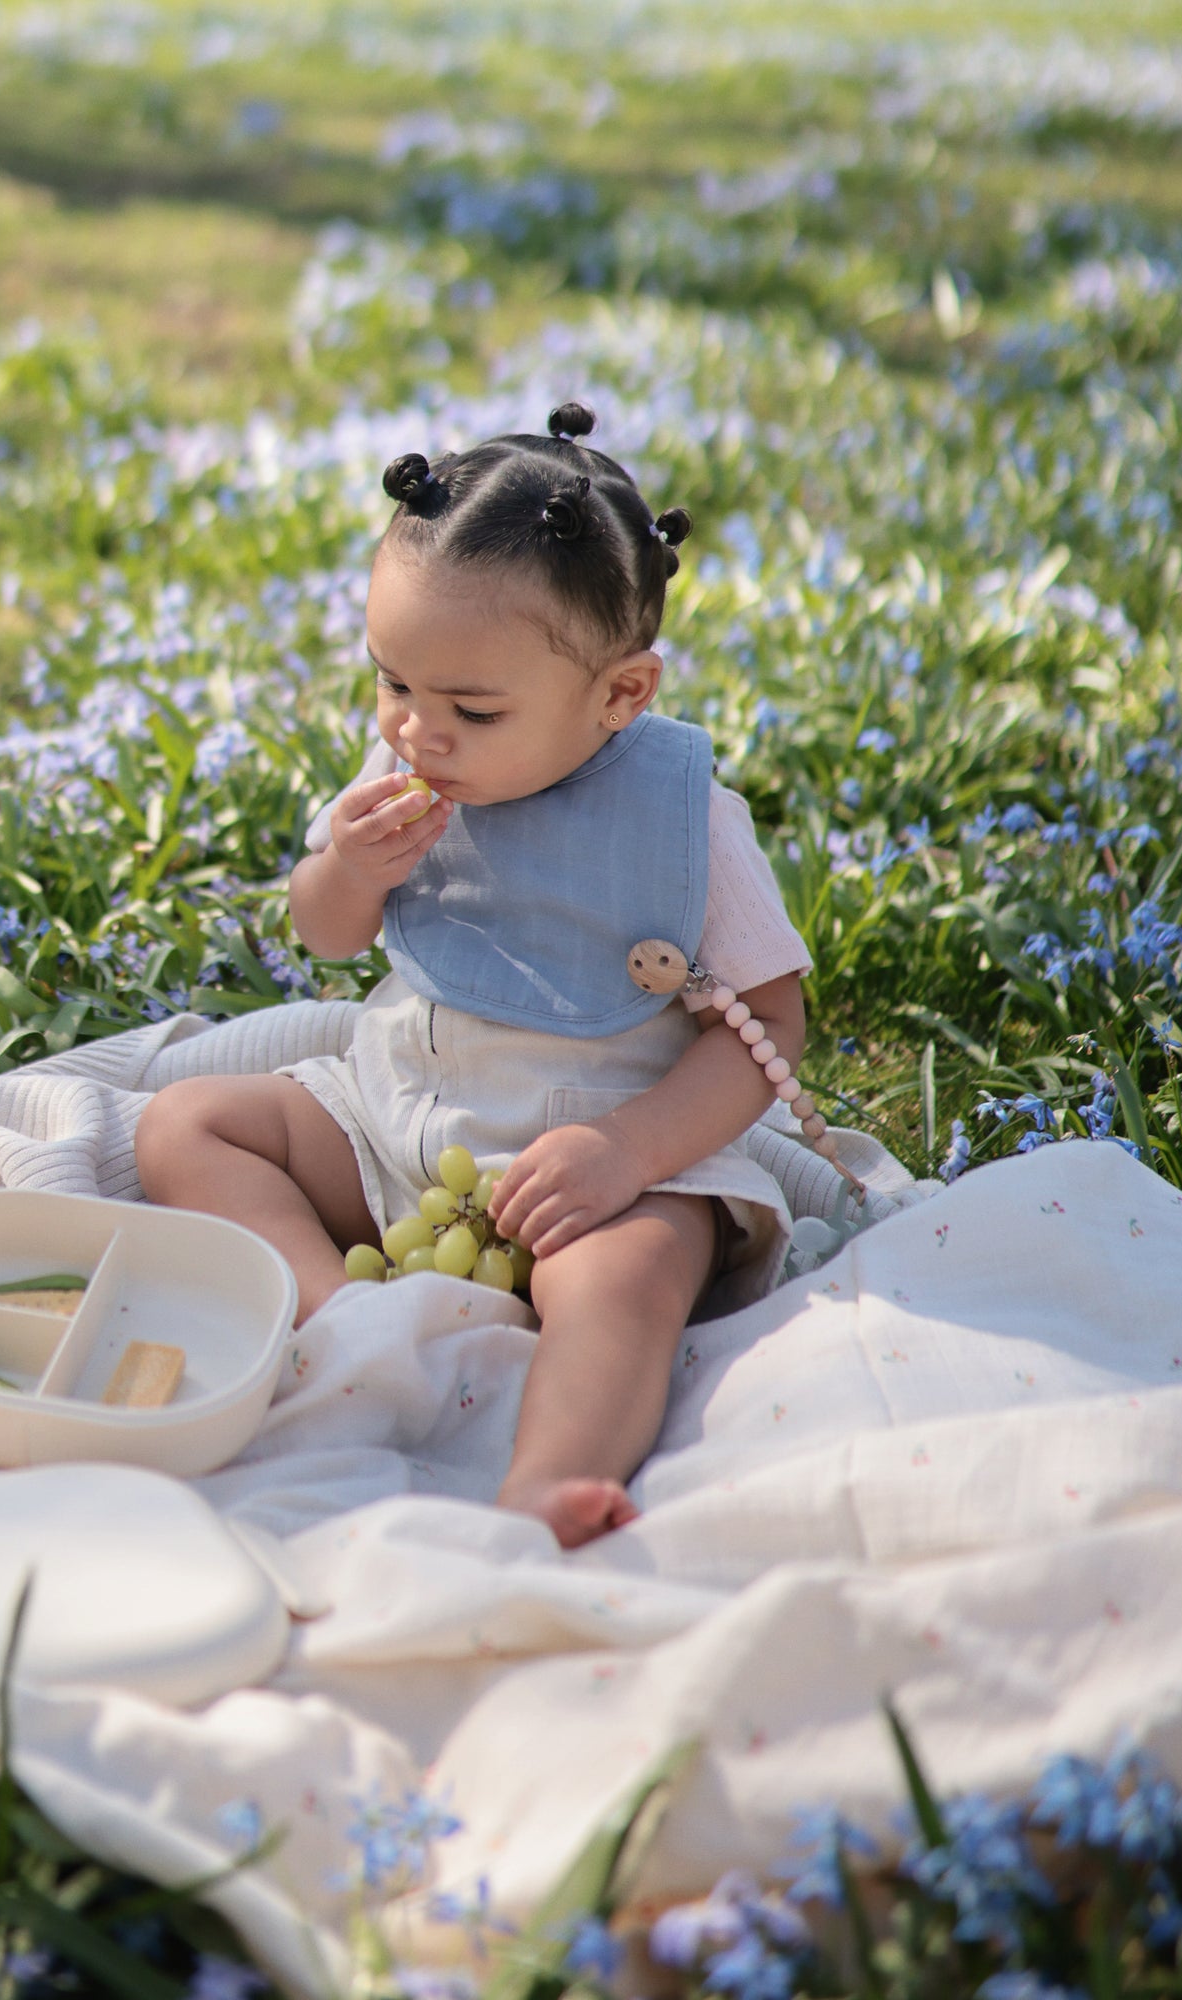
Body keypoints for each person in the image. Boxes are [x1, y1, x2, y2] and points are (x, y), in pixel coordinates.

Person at [136, 401, 815, 1548]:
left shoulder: (680, 819)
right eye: (392, 683)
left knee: (632, 1281)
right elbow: (328, 934)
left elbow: (768, 1025)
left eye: (470, 708)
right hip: (400, 1121)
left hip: (588, 1165)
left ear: (620, 695)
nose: (416, 731)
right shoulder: (403, 768)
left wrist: (632, 1152)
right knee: (185, 1124)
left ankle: (547, 1476)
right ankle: (351, 1333)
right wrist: (345, 867)